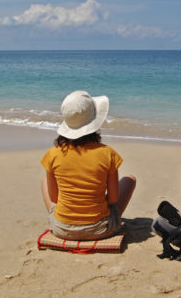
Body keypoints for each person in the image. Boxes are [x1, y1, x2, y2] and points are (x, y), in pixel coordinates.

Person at [40, 90, 136, 240]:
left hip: (61, 229)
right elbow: (112, 199)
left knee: (45, 181)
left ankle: (64, 218)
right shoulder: (107, 153)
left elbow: (54, 198)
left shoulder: (53, 154)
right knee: (130, 179)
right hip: (100, 229)